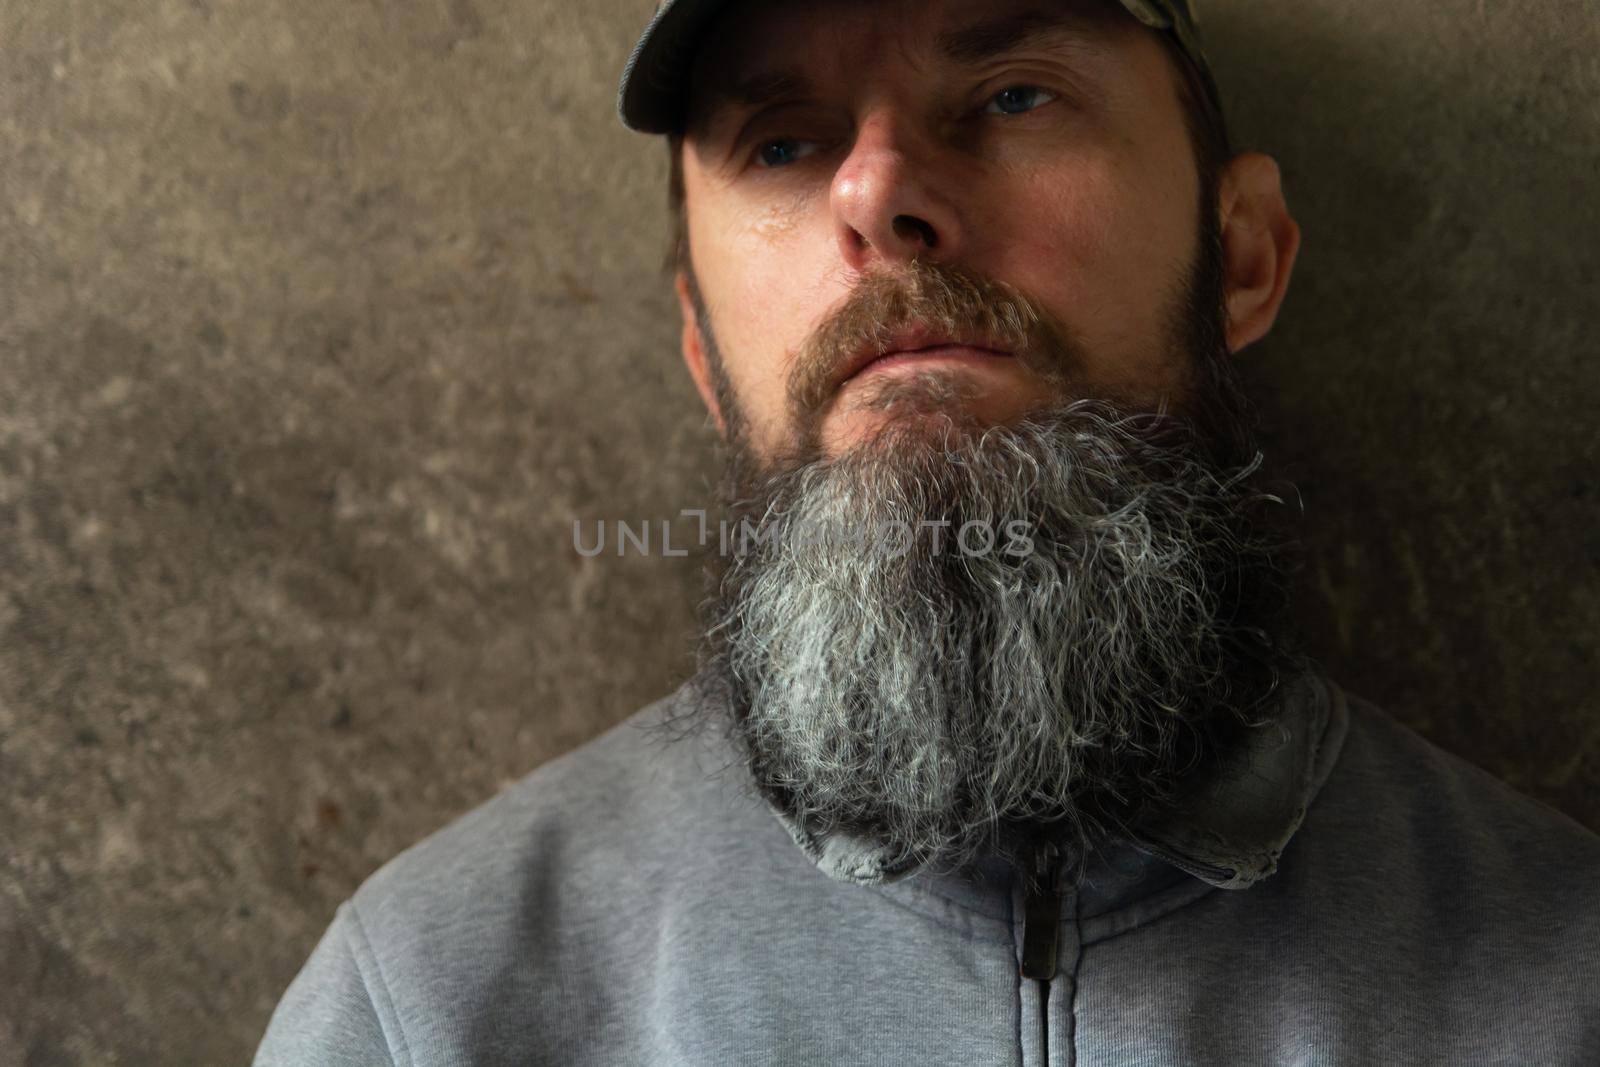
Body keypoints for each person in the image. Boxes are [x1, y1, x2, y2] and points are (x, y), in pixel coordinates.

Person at [253, 1, 1600, 1063]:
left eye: (1014, 95)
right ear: (705, 353)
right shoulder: (429, 1012)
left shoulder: (1567, 990)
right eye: (782, 140)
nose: (881, 194)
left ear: (1242, 252)